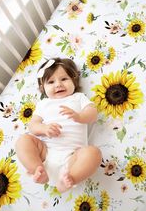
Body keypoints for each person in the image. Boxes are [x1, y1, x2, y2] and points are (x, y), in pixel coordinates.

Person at [15, 57, 102, 193]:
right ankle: (37, 169)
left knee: (94, 153)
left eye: (64, 79)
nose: (58, 85)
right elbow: (33, 125)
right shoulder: (44, 104)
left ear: (74, 81)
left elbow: (93, 113)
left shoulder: (78, 98)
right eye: (51, 82)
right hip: (46, 152)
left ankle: (70, 179)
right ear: (42, 88)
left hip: (73, 158)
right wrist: (44, 128)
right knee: (23, 141)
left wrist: (79, 117)